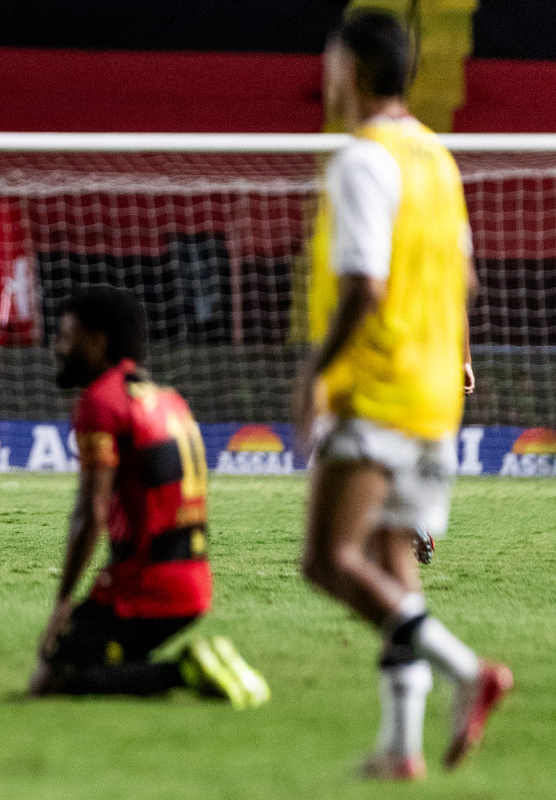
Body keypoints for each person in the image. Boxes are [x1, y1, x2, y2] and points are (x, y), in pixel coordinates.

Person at [294, 11, 510, 780]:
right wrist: (457, 359)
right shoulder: (436, 157)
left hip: (377, 386)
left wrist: (318, 372)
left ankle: (466, 671)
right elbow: (465, 281)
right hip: (433, 394)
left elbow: (363, 285)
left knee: (327, 559)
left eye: (330, 56)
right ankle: (400, 748)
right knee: (393, 563)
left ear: (349, 68)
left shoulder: (363, 159)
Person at [29, 285, 269, 707]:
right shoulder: (168, 399)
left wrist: (64, 601)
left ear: (97, 341)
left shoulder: (100, 403)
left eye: (66, 336)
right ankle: (197, 665)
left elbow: (92, 512)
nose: (57, 346)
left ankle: (185, 669)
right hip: (193, 581)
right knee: (105, 663)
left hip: (145, 585)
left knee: (52, 677)